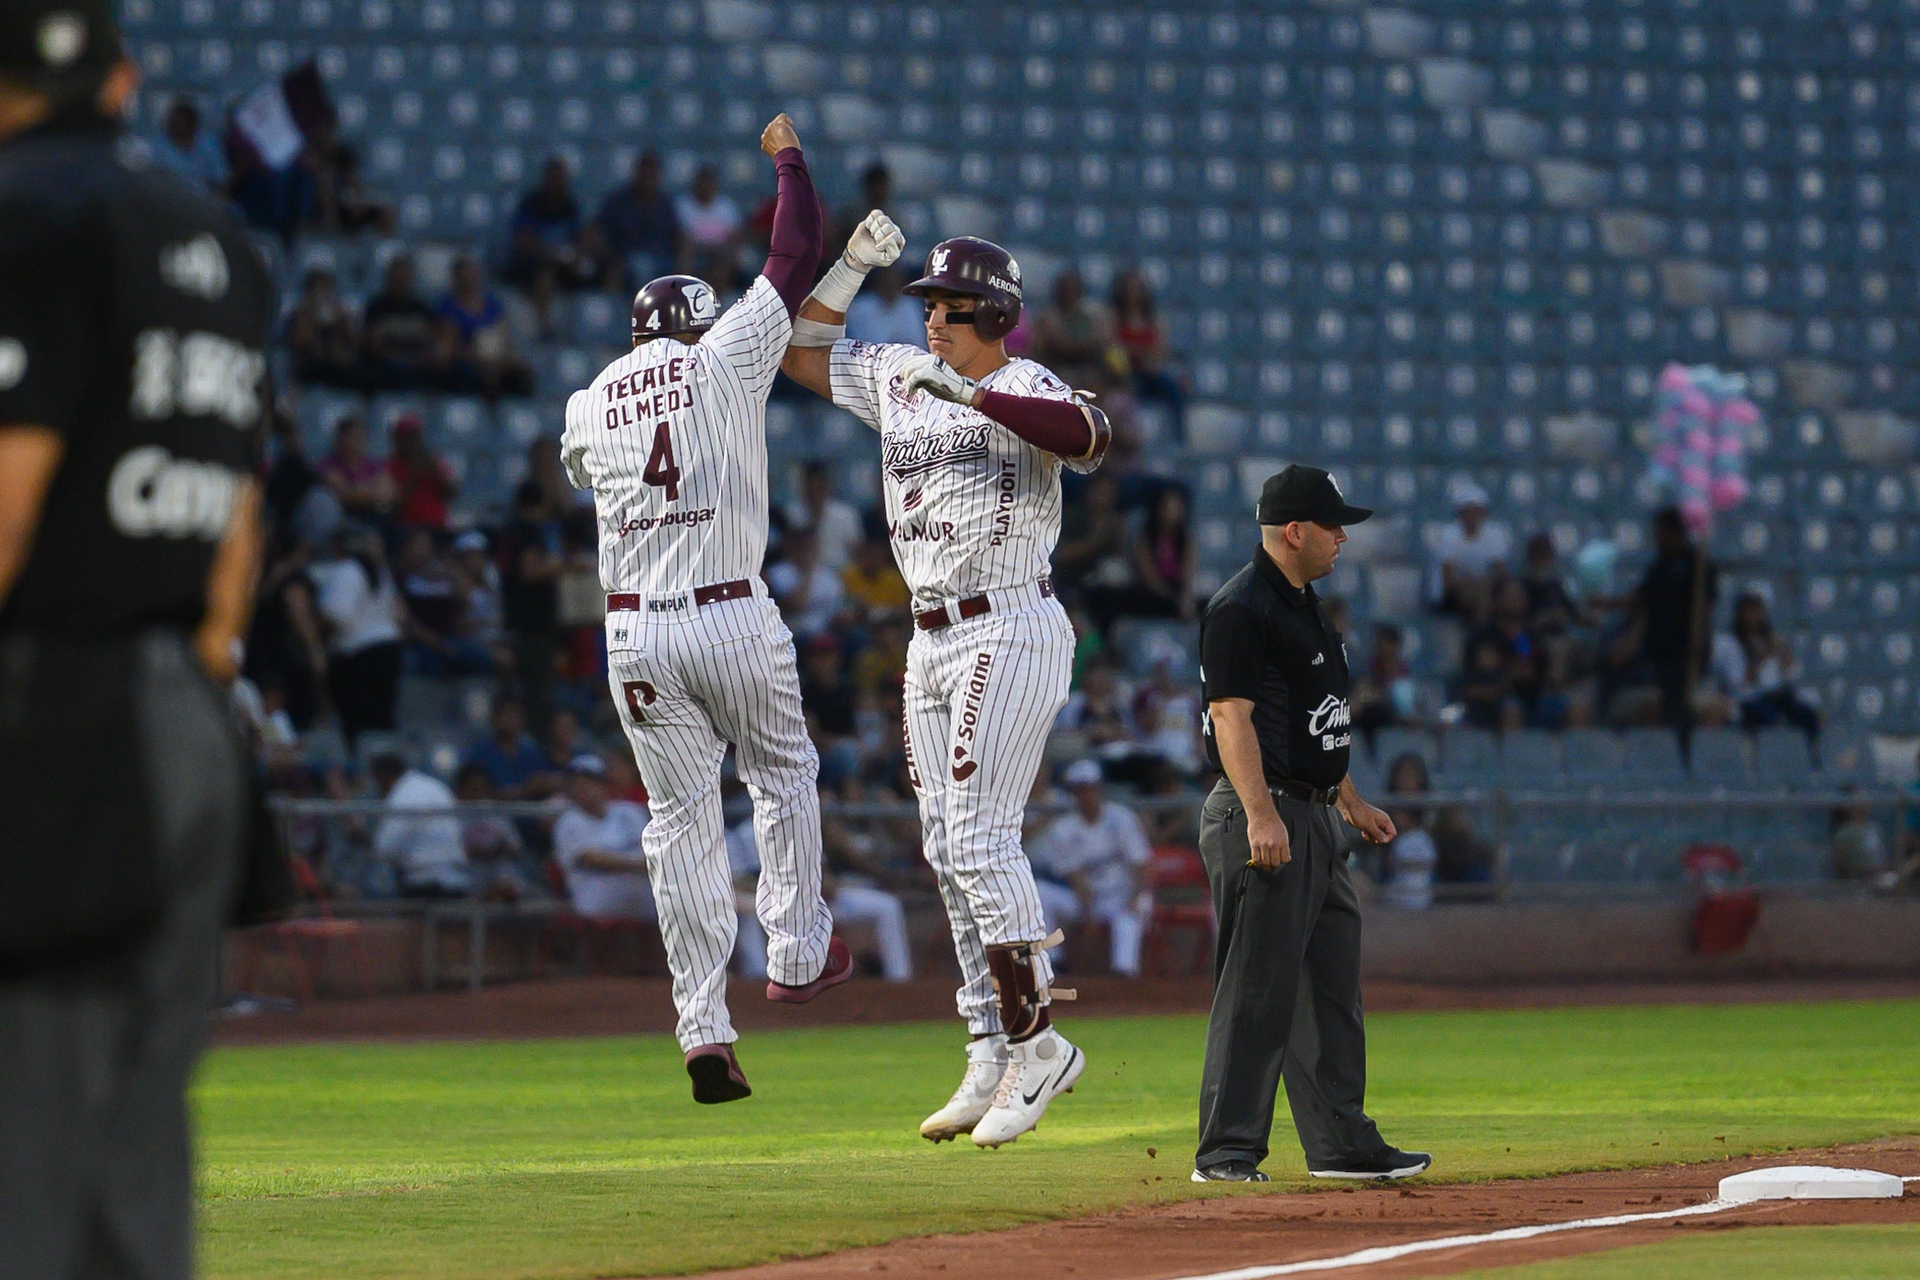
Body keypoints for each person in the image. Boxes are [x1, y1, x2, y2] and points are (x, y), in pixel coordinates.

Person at [0, 10, 273, 1273]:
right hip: (186, 715)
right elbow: (238, 529)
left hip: (52, 713)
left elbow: (11, 492)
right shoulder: (212, 235)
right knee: (134, 1161)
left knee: (25, 1155)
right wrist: (197, 677)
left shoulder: (24, 214)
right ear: (121, 79)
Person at [783, 227, 1114, 1148]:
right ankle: (989, 1044)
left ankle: (1038, 1042)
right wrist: (851, 267)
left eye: (952, 306)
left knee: (977, 836)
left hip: (1008, 620)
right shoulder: (899, 373)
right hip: (929, 635)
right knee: (942, 844)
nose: (933, 318)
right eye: (928, 303)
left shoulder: (1025, 382)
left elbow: (1092, 436)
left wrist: (974, 395)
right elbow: (801, 352)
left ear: (996, 314)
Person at [559, 115, 845, 1105]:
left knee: (678, 823)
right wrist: (789, 162)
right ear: (698, 320)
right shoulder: (724, 354)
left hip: (635, 631)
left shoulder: (588, 399)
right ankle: (796, 951)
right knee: (781, 771)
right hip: (728, 610)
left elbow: (579, 469)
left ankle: (702, 1028)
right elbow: (795, 252)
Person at [1193, 464, 1427, 1183]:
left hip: (1315, 814)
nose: (1342, 539)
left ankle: (1340, 1143)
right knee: (1258, 989)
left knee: (1329, 989)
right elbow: (1229, 718)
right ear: (1294, 531)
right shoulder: (1241, 607)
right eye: (1333, 527)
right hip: (1265, 814)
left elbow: (1313, 722)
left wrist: (1349, 799)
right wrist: (1262, 815)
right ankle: (1225, 1152)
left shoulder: (1304, 606)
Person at [1032, 761, 1154, 977]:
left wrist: (1134, 897)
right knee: (1040, 892)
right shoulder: (1064, 827)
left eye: (1089, 788)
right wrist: (1089, 915)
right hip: (1085, 899)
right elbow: (1075, 876)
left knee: (1136, 909)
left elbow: (1140, 863)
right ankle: (1054, 962)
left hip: (1121, 895)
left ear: (1099, 788)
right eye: (1079, 789)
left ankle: (1125, 973)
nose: (1086, 795)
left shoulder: (1121, 818)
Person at [309, 524, 405, 745]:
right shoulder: (380, 571)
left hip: (358, 657)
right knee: (380, 720)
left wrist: (315, 635)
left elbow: (336, 615)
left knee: (359, 723)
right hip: (388, 651)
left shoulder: (347, 571)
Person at [551, 753, 655, 920]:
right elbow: (588, 858)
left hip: (640, 892)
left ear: (603, 784)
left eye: (589, 782)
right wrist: (636, 863)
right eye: (576, 784)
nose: (583, 789)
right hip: (594, 895)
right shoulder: (568, 821)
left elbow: (652, 849)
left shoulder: (629, 811)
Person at [506, 155, 601, 331]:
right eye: (553, 178)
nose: (557, 184)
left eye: (561, 179)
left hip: (567, 262)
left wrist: (575, 254)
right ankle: (545, 325)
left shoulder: (571, 205)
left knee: (592, 268)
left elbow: (584, 237)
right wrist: (551, 253)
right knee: (545, 275)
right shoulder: (531, 204)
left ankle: (596, 326)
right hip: (537, 262)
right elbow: (524, 240)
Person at [1712, 592, 1820, 741]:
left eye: (1757, 612)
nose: (1753, 617)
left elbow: (1792, 676)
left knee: (1807, 715)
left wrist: (1784, 654)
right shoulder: (1729, 644)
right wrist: (1759, 659)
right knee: (1770, 718)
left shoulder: (1772, 639)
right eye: (1749, 613)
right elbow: (1739, 684)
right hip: (1748, 701)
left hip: (1778, 697)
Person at [370, 753, 470, 898]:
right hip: (456, 878)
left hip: (426, 884)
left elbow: (385, 847)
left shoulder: (403, 794)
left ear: (384, 776)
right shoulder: (434, 785)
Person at [437, 256, 535, 399]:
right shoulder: (448, 308)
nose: (469, 280)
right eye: (464, 276)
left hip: (495, 358)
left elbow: (503, 337)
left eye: (472, 275)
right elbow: (449, 347)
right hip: (468, 361)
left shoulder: (492, 306)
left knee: (522, 375)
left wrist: (505, 360)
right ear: (456, 279)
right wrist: (478, 360)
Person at [1427, 483, 1512, 627]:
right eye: (1469, 512)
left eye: (1478, 512)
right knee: (1480, 595)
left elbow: (1501, 571)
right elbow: (1448, 580)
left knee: (1508, 596)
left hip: (1484, 589)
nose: (1473, 517)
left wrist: (1486, 583)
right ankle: (1482, 631)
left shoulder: (1494, 533)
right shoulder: (1448, 534)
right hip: (1449, 596)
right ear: (1461, 514)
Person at [1110, 268, 1183, 436]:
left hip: (1151, 371)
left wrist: (1139, 354)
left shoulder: (1154, 318)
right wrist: (1141, 353)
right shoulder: (1114, 317)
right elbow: (1113, 348)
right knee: (1131, 391)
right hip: (1125, 373)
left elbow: (1162, 350)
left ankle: (1178, 436)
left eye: (1137, 288)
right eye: (1129, 288)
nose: (1133, 294)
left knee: (1173, 388)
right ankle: (1133, 436)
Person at [598, 149, 682, 291]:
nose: (648, 177)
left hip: (662, 257)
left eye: (652, 172)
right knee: (641, 267)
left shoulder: (665, 203)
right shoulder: (618, 201)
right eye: (645, 172)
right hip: (626, 258)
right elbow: (598, 229)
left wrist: (683, 259)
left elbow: (677, 235)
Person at [361, 253, 446, 389]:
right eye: (397, 276)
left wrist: (417, 359)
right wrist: (397, 358)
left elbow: (432, 341)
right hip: (387, 367)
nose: (400, 280)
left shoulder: (421, 309)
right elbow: (374, 345)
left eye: (404, 276)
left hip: (417, 365)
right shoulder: (377, 308)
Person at [1029, 268, 1117, 395]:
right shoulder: (1049, 315)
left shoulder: (1088, 316)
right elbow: (1059, 345)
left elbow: (1102, 340)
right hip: (1057, 366)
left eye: (1073, 290)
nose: (1069, 294)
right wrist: (1083, 344)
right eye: (1066, 290)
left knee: (1095, 380)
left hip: (1087, 366)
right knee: (1065, 381)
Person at [463, 697, 560, 800]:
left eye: (514, 716)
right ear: (494, 718)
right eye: (505, 715)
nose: (509, 721)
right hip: (491, 809)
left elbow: (545, 784)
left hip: (528, 809)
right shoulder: (480, 753)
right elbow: (477, 793)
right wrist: (523, 789)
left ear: (523, 719)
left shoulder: (532, 754)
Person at [1128, 485, 1197, 620]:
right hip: (1153, 592)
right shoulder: (1146, 539)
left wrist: (1185, 597)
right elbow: (1150, 577)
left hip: (1177, 588)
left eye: (1177, 506)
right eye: (1169, 506)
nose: (1173, 511)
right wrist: (1174, 599)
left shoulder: (1186, 539)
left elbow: (1188, 572)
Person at [784, 458, 863, 574]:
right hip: (803, 573)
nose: (814, 491)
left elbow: (856, 551)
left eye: (818, 486)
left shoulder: (845, 514)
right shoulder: (793, 513)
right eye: (810, 487)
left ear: (826, 486)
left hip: (840, 573)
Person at [1380, 753, 1438, 910]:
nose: (1406, 781)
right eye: (1402, 775)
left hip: (1431, 882)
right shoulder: (1382, 816)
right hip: (1391, 882)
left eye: (1412, 776)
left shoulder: (1433, 816)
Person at [285, 267, 360, 388]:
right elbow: (301, 343)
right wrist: (310, 317)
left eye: (325, 288)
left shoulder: (339, 312)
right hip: (309, 371)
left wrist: (341, 322)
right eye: (316, 289)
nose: (321, 294)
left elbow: (355, 344)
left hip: (338, 370)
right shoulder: (300, 314)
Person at [385, 415, 457, 531]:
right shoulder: (391, 467)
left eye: (414, 437)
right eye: (406, 437)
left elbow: (451, 492)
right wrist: (415, 474)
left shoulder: (433, 462)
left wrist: (433, 470)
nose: (411, 442)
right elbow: (395, 503)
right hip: (406, 529)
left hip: (437, 528)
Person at [317, 414, 395, 522]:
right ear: (341, 439)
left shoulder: (373, 465)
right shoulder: (328, 466)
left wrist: (360, 489)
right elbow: (345, 494)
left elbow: (390, 492)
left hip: (377, 517)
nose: (357, 443)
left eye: (359, 438)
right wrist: (371, 490)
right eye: (352, 437)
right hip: (346, 519)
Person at [674, 163, 742, 280]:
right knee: (685, 253)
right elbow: (679, 235)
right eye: (703, 182)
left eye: (709, 183)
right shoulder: (683, 204)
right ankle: (684, 287)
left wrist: (721, 247)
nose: (706, 186)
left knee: (728, 257)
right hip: (693, 249)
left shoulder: (726, 205)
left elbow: (736, 234)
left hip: (719, 249)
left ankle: (718, 290)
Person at [148, 94, 227, 191]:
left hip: (200, 197)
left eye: (179, 123)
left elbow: (221, 179)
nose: (173, 126)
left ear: (191, 124)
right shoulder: (156, 146)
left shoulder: (208, 146)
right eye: (172, 122)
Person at [844, 265, 926, 347]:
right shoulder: (860, 308)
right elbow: (856, 345)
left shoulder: (911, 306)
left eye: (894, 278)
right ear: (878, 280)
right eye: (886, 278)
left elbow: (919, 343)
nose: (889, 283)